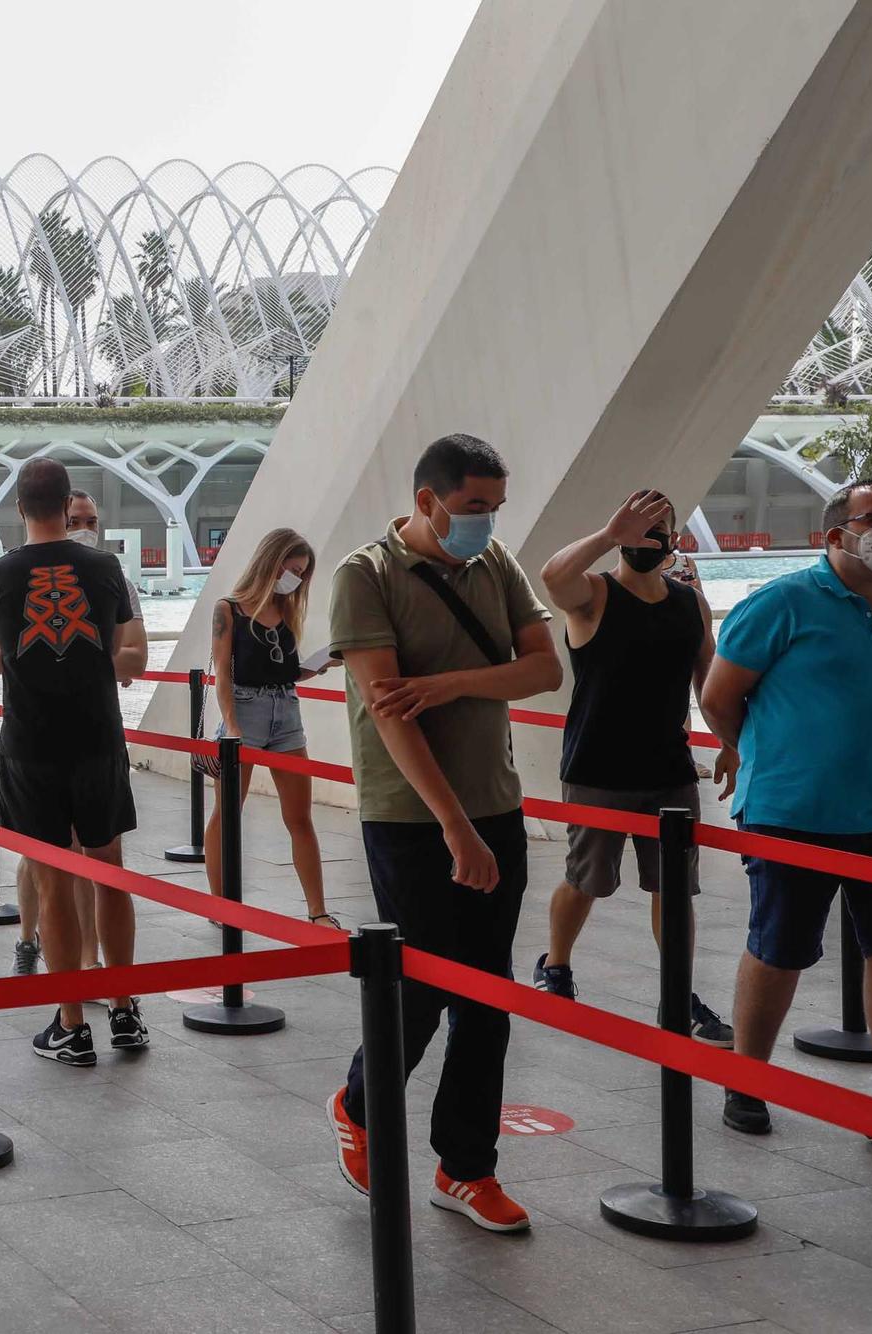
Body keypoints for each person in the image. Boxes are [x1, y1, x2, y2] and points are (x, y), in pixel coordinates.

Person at [322, 433, 558, 1234]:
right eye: (471, 508)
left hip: (497, 802)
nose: (485, 523)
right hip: (410, 815)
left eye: (494, 508)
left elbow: (543, 670)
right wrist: (455, 827)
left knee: (487, 999)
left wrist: (449, 684)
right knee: (421, 986)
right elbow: (391, 717)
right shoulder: (366, 576)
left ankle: (466, 1167)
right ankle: (358, 1105)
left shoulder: (499, 567)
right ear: (426, 502)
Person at [701, 478, 872, 1137]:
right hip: (791, 813)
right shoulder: (781, 603)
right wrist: (767, 756)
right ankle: (747, 1083)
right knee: (780, 947)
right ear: (837, 533)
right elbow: (720, 700)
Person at [535, 491, 733, 1045]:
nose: (651, 539)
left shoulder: (687, 601)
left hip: (668, 770)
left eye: (660, 529)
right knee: (586, 880)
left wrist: (730, 742)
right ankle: (556, 966)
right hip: (598, 767)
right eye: (639, 529)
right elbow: (551, 577)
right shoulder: (593, 594)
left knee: (675, 889)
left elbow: (708, 678)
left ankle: (679, 992)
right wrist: (606, 534)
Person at [0, 458, 148, 1065]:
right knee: (110, 871)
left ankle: (72, 1023)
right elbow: (124, 646)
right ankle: (125, 1010)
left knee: (53, 883)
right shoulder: (104, 567)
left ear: (20, 508)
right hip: (99, 738)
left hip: (32, 744)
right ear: (63, 506)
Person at [207, 528, 334, 924]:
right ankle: (221, 906)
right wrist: (231, 724)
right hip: (244, 709)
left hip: (286, 710)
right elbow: (224, 675)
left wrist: (319, 664)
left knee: (300, 817)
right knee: (227, 813)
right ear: (271, 561)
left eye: (301, 572)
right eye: (292, 568)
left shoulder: (287, 610)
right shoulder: (228, 609)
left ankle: (318, 911)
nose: (295, 577)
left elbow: (284, 671)